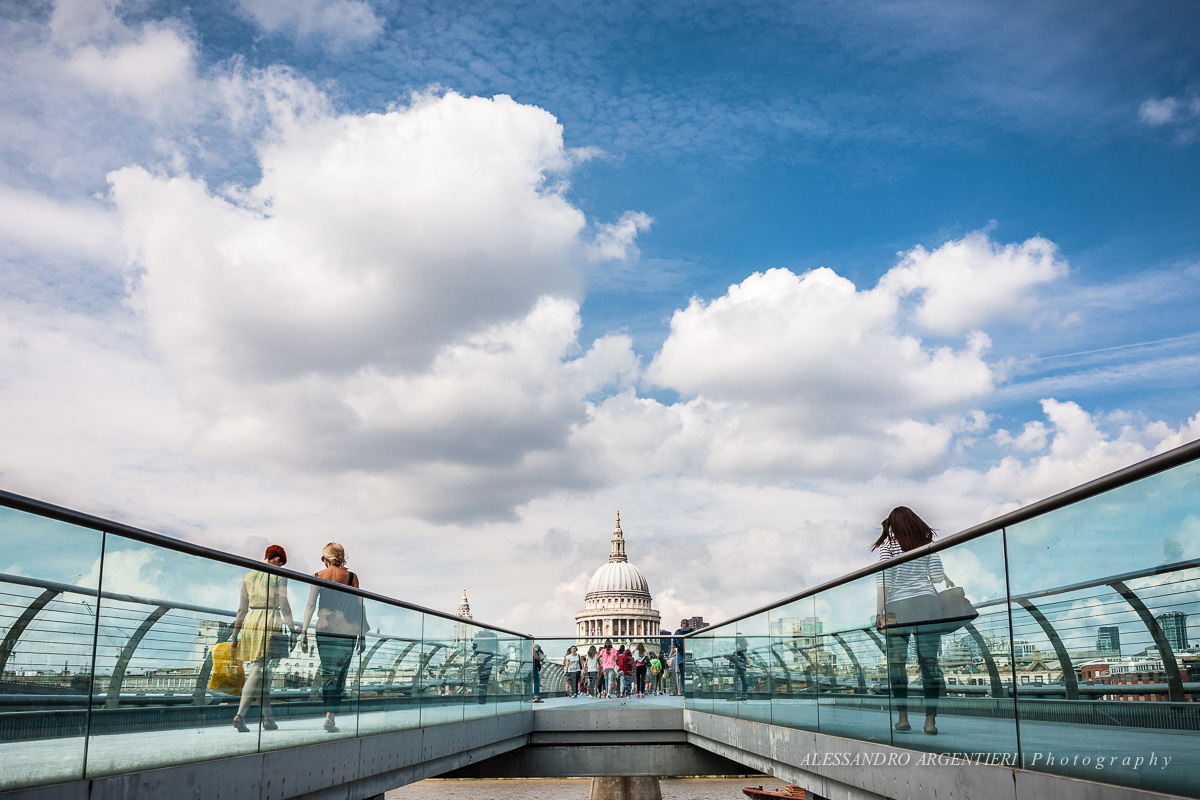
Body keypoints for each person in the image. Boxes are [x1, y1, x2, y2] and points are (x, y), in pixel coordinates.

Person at [873, 505, 946, 736]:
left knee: (897, 665)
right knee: (929, 664)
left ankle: (903, 719)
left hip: (898, 606)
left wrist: (879, 613)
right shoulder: (926, 543)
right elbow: (936, 577)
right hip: (927, 604)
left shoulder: (888, 546)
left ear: (893, 525)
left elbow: (883, 581)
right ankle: (930, 722)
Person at [230, 544, 297, 732]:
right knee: (258, 669)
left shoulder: (248, 576)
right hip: (270, 620)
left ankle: (268, 718)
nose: (281, 567)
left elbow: (241, 609)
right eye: (281, 563)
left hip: (251, 622)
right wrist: (292, 629)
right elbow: (283, 603)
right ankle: (240, 715)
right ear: (277, 559)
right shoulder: (279, 575)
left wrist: (235, 635)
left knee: (263, 675)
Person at [299, 543, 365, 733]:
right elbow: (359, 605)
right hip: (347, 630)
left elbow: (310, 605)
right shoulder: (352, 577)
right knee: (340, 673)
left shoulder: (318, 576)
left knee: (328, 672)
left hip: (324, 628)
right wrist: (362, 634)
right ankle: (331, 716)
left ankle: (328, 712)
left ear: (326, 558)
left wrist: (304, 632)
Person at [673, 619, 694, 689]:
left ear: (681, 625)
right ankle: (691, 691)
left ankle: (685, 693)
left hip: (680, 658)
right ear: (688, 625)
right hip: (690, 657)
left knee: (682, 676)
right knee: (691, 675)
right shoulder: (693, 631)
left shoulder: (677, 632)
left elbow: (673, 644)